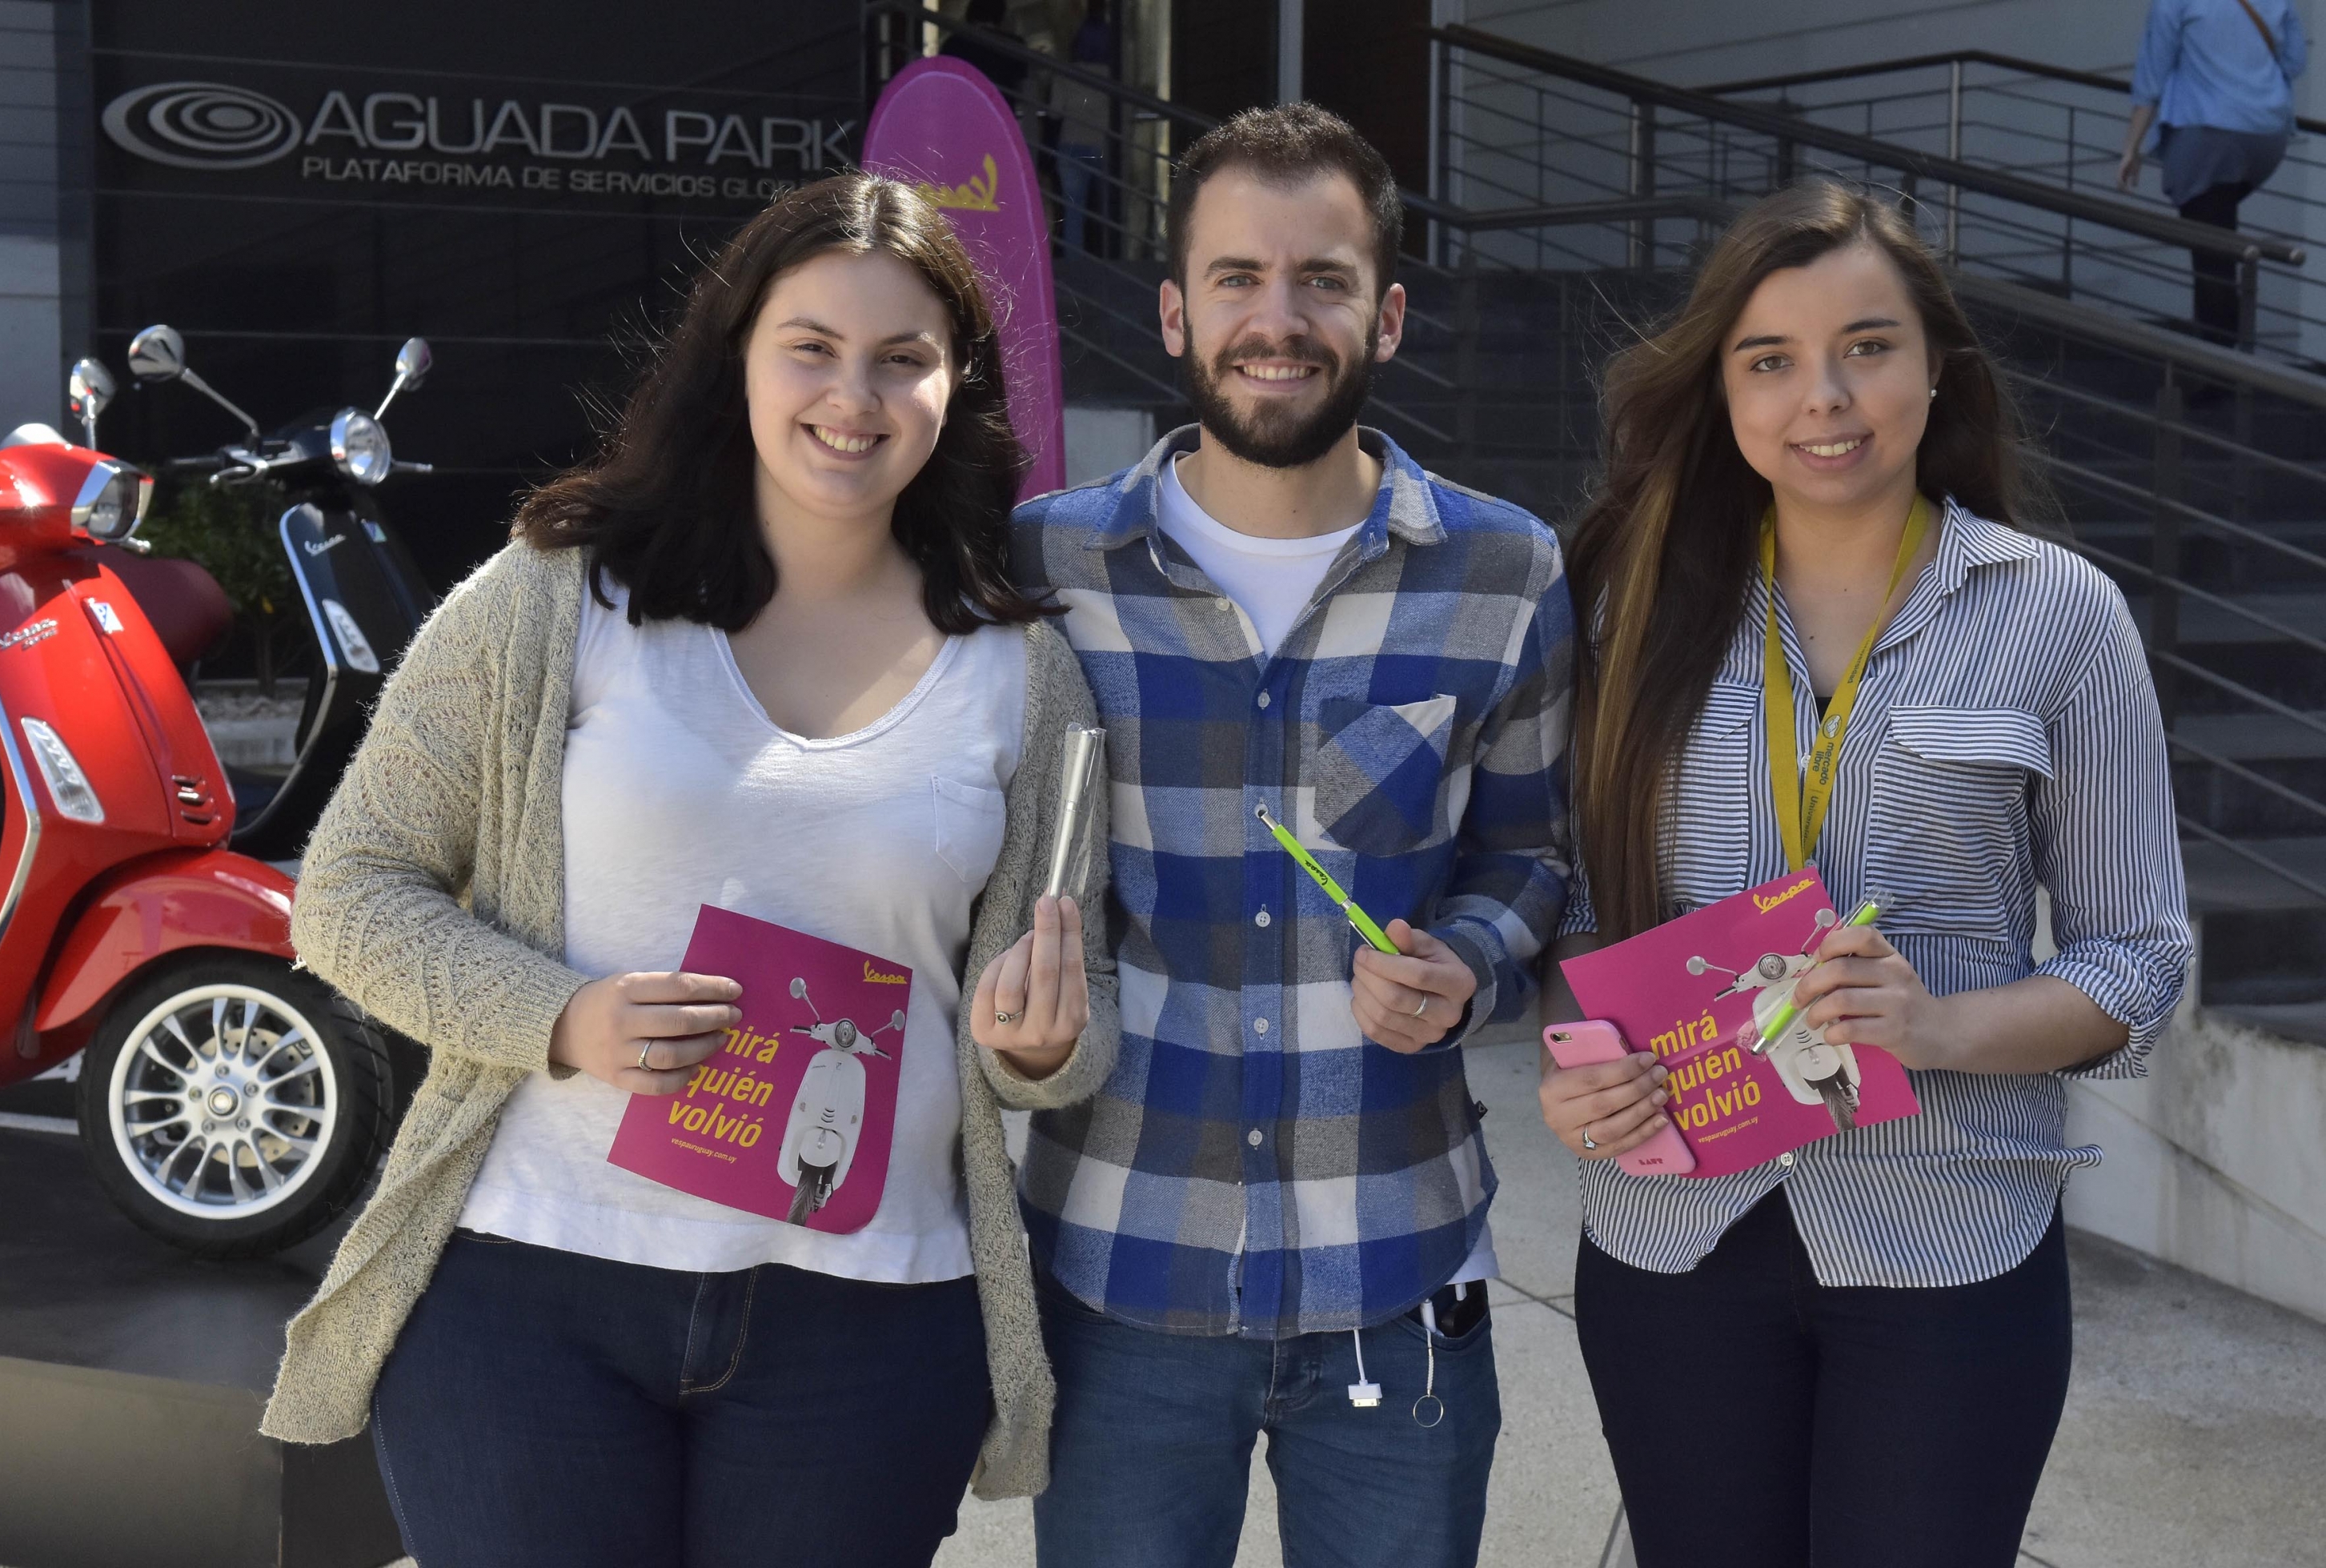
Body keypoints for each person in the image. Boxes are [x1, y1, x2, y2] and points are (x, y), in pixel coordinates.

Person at [259, 173, 1121, 1568]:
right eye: (813, 346)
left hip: (867, 1320)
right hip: (528, 1293)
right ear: (736, 357)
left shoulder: (1024, 673)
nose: (856, 394)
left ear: (954, 390)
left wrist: (1048, 1042)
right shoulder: (555, 596)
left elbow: (1059, 1022)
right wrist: (559, 1014)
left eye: (904, 358)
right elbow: (349, 889)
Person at [1542, 178, 2194, 1568]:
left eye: (1868, 346)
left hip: (1953, 1233)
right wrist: (1577, 1060)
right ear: (1722, 390)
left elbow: (2140, 954)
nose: (1822, 396)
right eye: (1769, 360)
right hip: (1675, 1233)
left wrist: (1942, 1025)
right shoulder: (1630, 610)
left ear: (1937, 366)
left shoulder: (2059, 614)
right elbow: (1581, 911)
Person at [1010, 103, 1574, 1568]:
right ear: (1175, 310)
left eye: (1322, 278)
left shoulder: (1505, 569)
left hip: (1399, 1272)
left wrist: (1468, 956)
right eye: (1239, 278)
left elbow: (1531, 852)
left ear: (1384, 314)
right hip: (1123, 1271)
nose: (1280, 318)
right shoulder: (1045, 568)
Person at [2119, 0, 2309, 346]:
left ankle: (2219, 367)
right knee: (2220, 234)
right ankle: (2227, 355)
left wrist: (2132, 147)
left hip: (2208, 135)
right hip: (2268, 136)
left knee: (2210, 255)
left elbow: (2151, 77)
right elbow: (2295, 61)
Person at [1050, 0, 1117, 258]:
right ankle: (1110, 259)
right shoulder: (1114, 76)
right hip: (1102, 146)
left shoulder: (1066, 73)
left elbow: (1055, 110)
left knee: (1073, 212)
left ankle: (1075, 263)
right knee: (1107, 211)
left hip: (1070, 145)